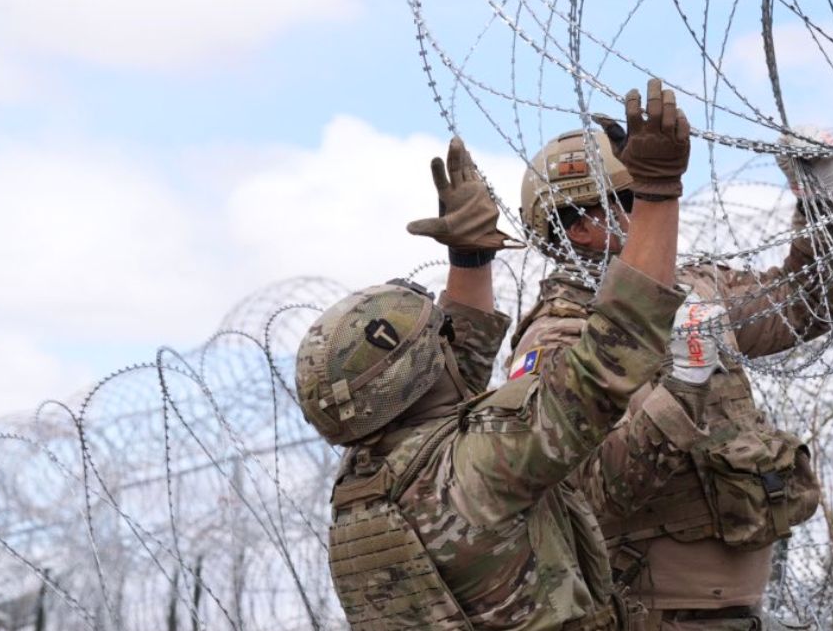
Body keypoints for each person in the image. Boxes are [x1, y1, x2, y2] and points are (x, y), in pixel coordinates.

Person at [295, 79, 693, 630]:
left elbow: (447, 385)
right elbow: (610, 355)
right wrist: (656, 193)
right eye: (438, 336)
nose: (450, 337)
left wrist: (470, 260)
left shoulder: (369, 480)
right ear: (413, 378)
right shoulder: (479, 468)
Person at [504, 118, 833, 631]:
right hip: (650, 617)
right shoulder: (559, 337)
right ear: (580, 228)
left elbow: (808, 306)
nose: (658, 208)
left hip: (741, 614)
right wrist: (682, 388)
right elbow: (588, 491)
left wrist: (818, 198)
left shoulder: (692, 291)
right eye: (635, 199)